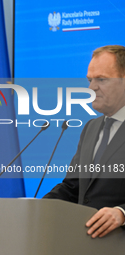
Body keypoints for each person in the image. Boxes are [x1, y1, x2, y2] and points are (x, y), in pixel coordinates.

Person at [44, 45, 125, 238]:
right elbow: (73, 187)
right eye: (90, 80)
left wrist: (122, 213)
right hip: (84, 243)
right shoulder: (91, 127)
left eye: (102, 80)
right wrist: (38, 206)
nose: (91, 88)